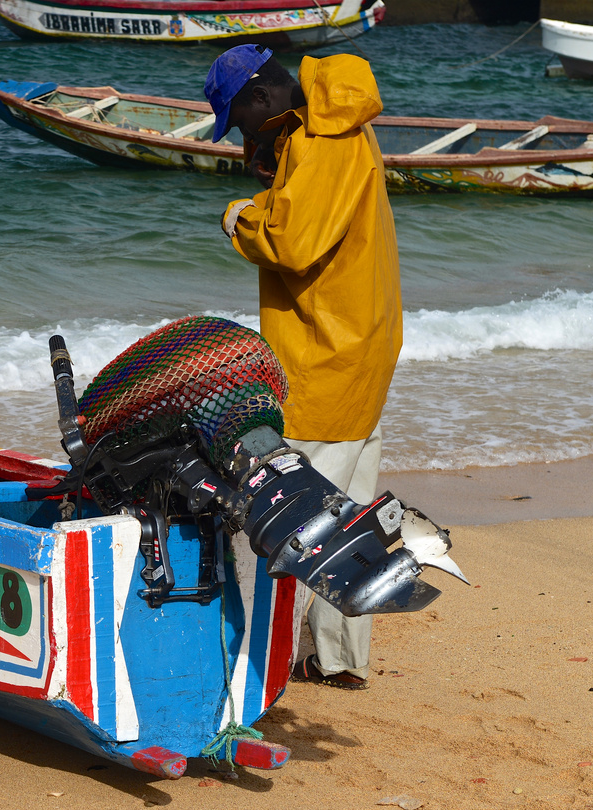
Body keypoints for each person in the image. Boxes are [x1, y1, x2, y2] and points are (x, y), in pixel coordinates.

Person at [204, 44, 402, 691]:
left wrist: (239, 219)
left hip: (324, 355)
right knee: (352, 513)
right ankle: (338, 659)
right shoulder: (332, 124)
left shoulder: (321, 139)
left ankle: (262, 668)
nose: (243, 135)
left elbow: (291, 242)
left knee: (297, 516)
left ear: (259, 98)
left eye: (239, 121)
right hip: (358, 344)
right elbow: (313, 218)